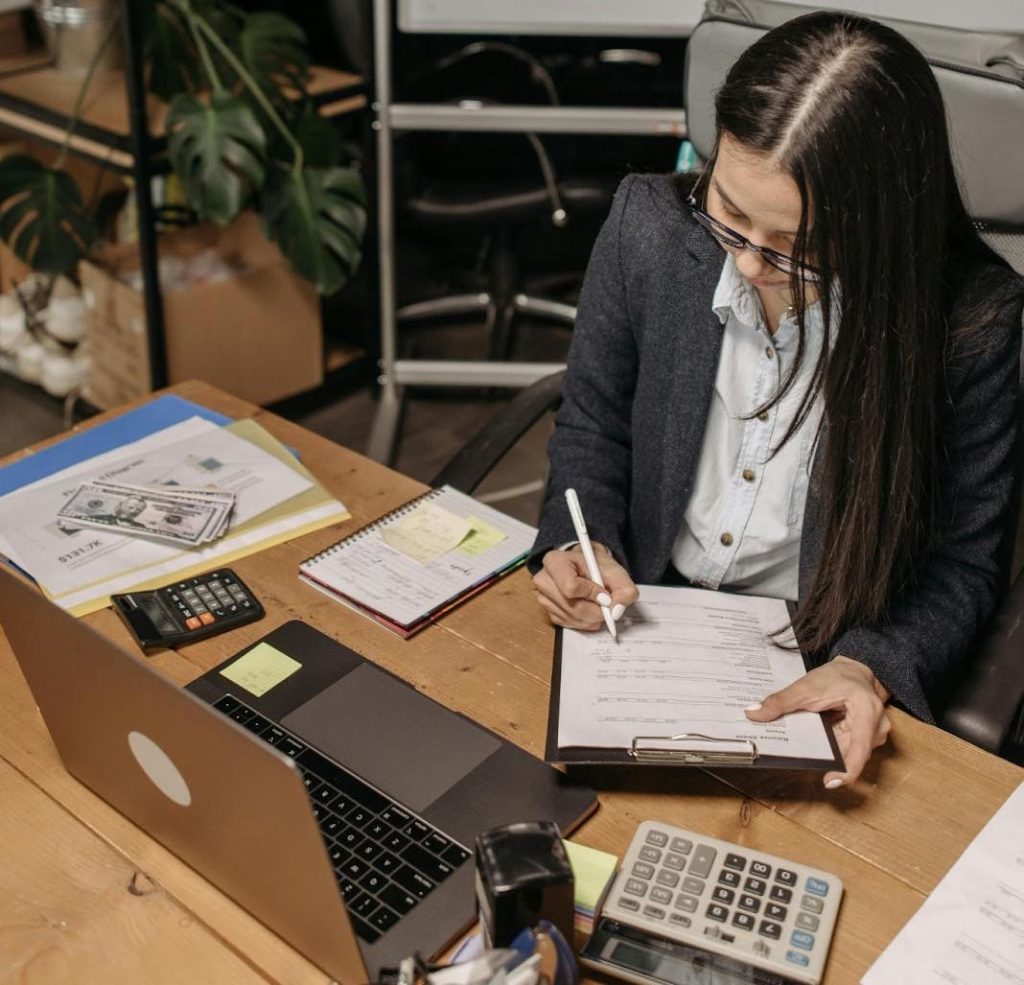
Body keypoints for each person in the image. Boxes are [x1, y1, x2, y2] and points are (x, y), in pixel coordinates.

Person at [529, 11, 1024, 789]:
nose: (751, 266)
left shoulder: (970, 323)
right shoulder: (651, 229)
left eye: (797, 247)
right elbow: (593, 423)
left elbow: (965, 563)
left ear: (879, 231)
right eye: (729, 214)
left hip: (817, 657)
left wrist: (870, 666)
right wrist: (573, 545)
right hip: (641, 626)